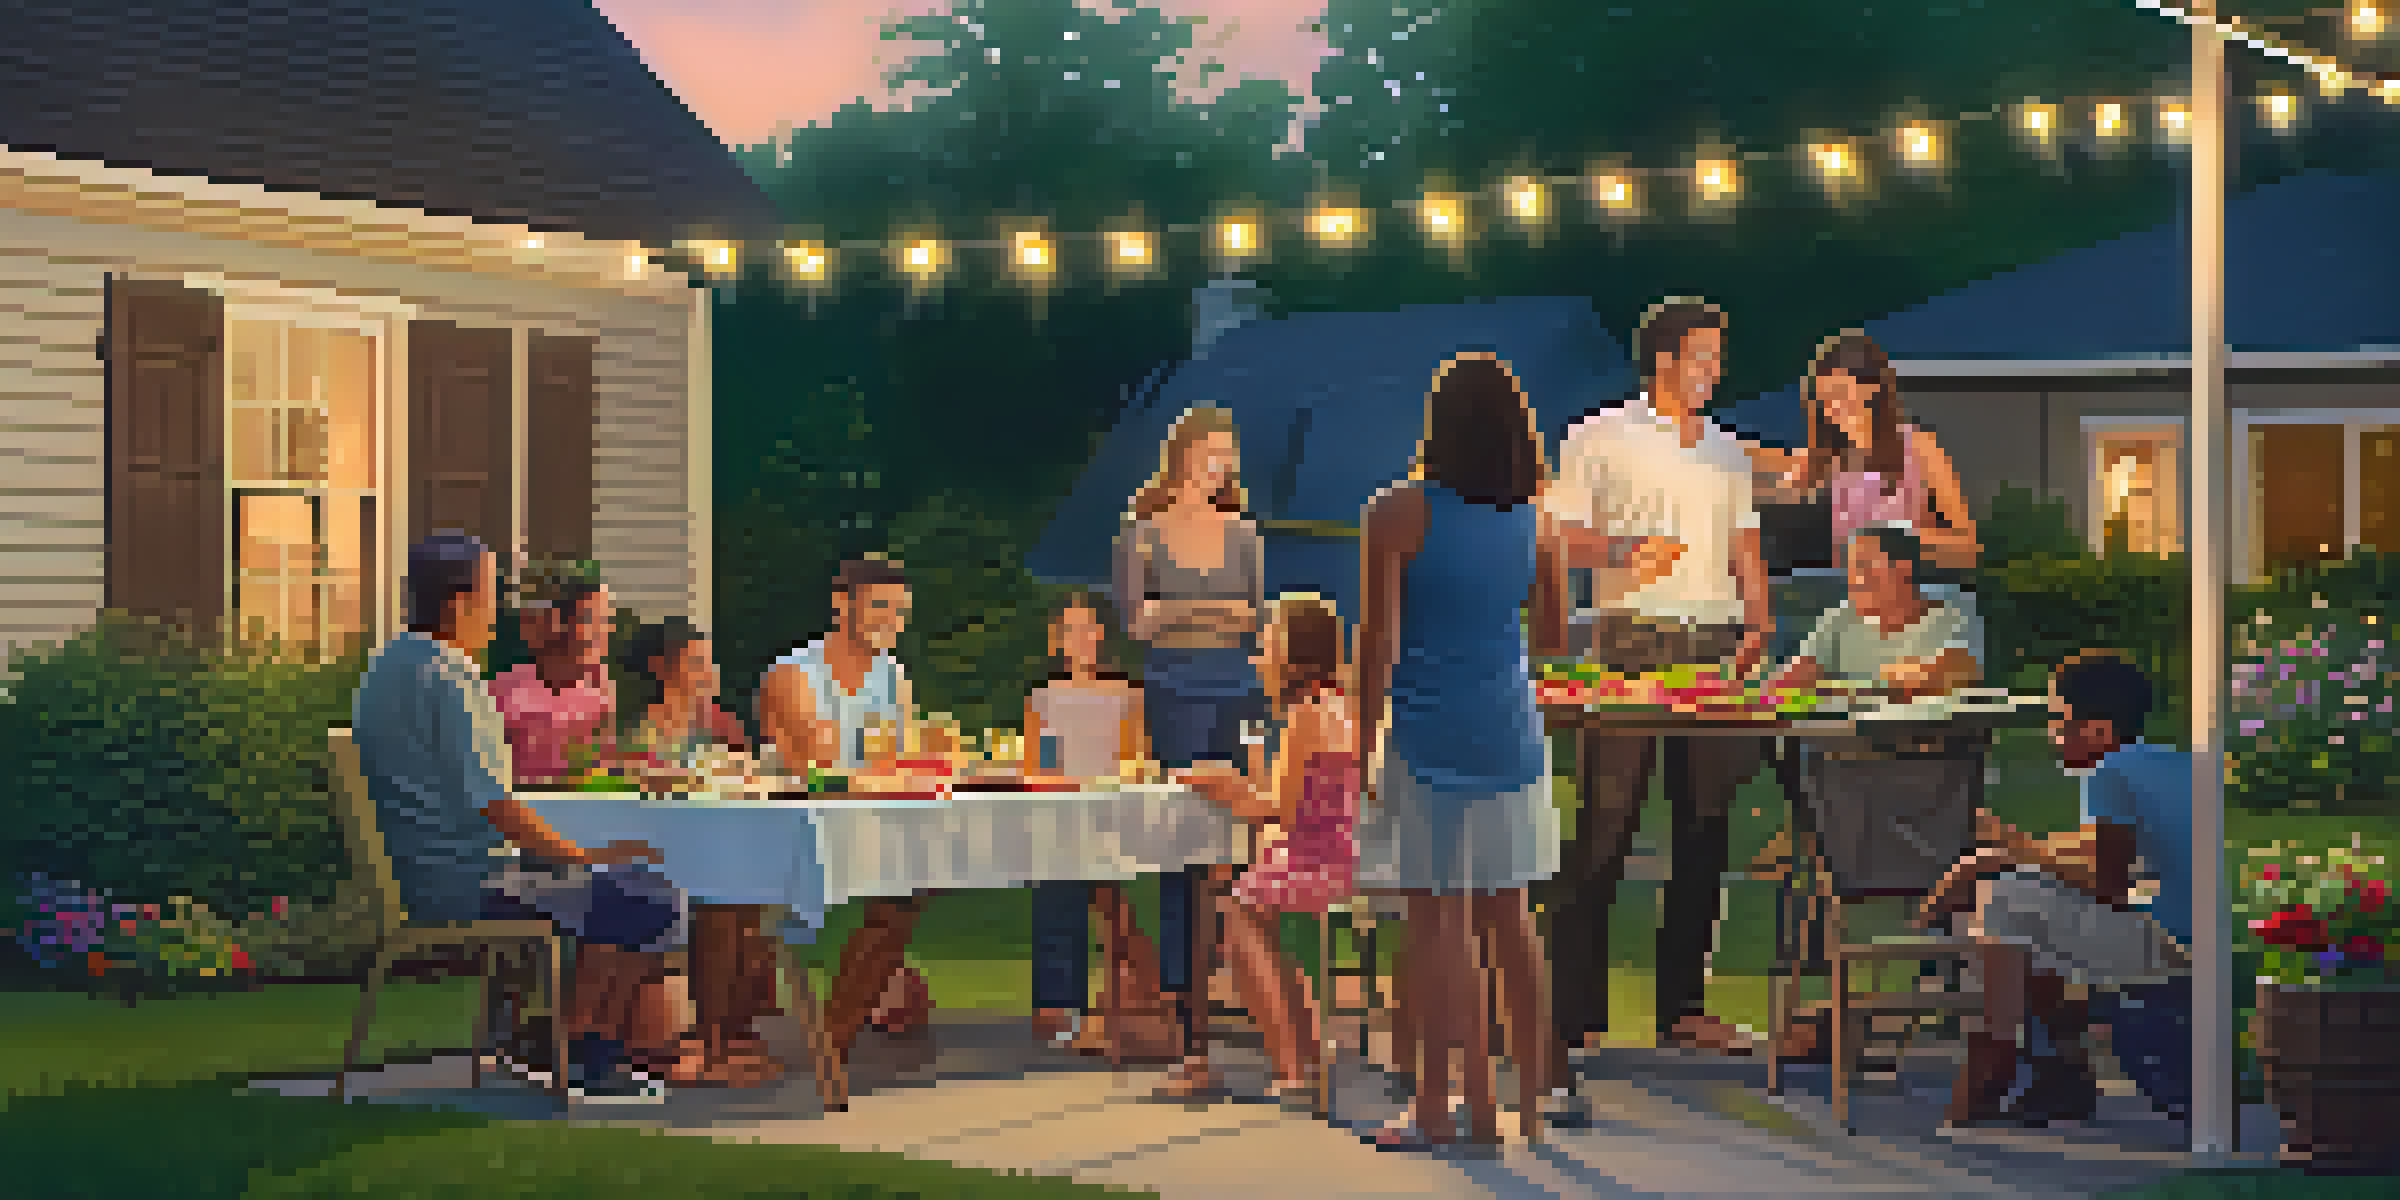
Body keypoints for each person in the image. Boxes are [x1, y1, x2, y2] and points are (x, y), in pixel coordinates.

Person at [351, 533, 689, 1101]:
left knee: (622, 890)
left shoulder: (385, 670)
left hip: (424, 874)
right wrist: (582, 855)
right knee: (651, 896)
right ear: (459, 605)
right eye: (492, 595)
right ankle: (582, 1055)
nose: (499, 611)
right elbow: (498, 806)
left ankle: (571, 1047)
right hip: (466, 883)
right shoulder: (455, 683)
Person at [1543, 298, 1774, 1117]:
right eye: (1701, 357)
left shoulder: (1725, 451)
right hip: (1633, 639)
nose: (1714, 371)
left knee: (1705, 826)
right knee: (1606, 822)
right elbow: (1558, 534)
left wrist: (1759, 621)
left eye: (1718, 357)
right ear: (1663, 361)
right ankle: (1570, 1015)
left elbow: (1745, 543)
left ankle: (1683, 1010)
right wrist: (1614, 552)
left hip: (1713, 641)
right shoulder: (1599, 434)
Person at [1356, 351, 1567, 1149]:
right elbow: (1549, 638)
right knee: (1510, 916)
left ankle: (1443, 1108)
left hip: (1424, 733)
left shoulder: (1397, 512)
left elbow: (1378, 640)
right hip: (1507, 732)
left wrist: (1361, 737)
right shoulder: (1536, 522)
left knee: (1435, 922)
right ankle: (1526, 1108)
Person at [1913, 652, 2193, 1129]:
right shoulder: (2172, 763)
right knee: (2021, 897)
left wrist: (2004, 857)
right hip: (2196, 934)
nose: (2052, 735)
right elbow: (2101, 846)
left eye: (2060, 722)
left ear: (2099, 732)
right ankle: (2056, 1064)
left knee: (2003, 897)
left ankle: (1999, 1053)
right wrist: (2016, 850)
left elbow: (2110, 887)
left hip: (2166, 947)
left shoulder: (2108, 774)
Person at [1114, 406, 1271, 1098]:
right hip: (1175, 688)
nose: (1221, 467)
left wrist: (1181, 609)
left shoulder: (1244, 535)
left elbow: (1254, 619)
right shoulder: (1142, 535)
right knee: (1185, 839)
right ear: (1180, 459)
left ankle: (1236, 980)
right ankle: (1183, 995)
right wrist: (1210, 613)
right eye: (1210, 454)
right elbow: (1138, 622)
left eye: (1228, 456)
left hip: (1238, 690)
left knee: (1238, 839)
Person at [1174, 592, 1363, 1104]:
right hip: (1342, 852)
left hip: (1316, 856)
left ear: (1293, 656)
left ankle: (1291, 1068)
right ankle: (1304, 1054)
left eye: (1267, 641)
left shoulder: (1305, 714)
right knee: (1255, 917)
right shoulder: (1343, 707)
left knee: (1236, 915)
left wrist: (1219, 785)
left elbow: (1275, 809)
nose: (1258, 655)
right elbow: (1297, 798)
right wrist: (1246, 788)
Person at [756, 557, 934, 1048]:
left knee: (912, 888)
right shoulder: (794, 674)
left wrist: (902, 768)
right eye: (880, 607)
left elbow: (908, 756)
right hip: (790, 829)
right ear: (842, 605)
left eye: (900, 613)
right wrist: (890, 771)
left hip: (860, 822)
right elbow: (820, 768)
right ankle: (814, 1036)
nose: (891, 622)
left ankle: (835, 1035)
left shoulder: (893, 675)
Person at [620, 618, 784, 1087]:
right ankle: (713, 1043)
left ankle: (730, 1037)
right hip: (658, 851)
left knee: (743, 905)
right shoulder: (644, 730)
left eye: (709, 662)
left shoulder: (722, 725)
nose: (709, 672)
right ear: (662, 669)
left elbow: (750, 780)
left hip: (718, 847)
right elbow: (639, 791)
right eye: (696, 662)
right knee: (721, 905)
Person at [1023, 591, 1178, 1058]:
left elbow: (1137, 761)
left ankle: (1139, 1006)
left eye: (1089, 628)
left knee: (1113, 903)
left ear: (1102, 636)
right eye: (1070, 630)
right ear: (1057, 640)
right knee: (1056, 889)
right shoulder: (1043, 698)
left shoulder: (1127, 695)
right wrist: (1066, 790)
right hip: (1062, 817)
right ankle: (1060, 1012)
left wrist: (1101, 790)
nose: (1081, 639)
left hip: (1116, 816)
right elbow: (1037, 768)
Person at [1772, 331, 1980, 572]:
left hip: (1913, 593)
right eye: (1823, 399)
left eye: (1839, 394)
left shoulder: (1919, 448)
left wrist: (1905, 545)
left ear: (1871, 388)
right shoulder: (1815, 462)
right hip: (1847, 597)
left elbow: (1969, 547)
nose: (1831, 408)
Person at [1770, 525, 1984, 700]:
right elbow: (1792, 678)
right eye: (1850, 568)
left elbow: (1948, 675)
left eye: (1864, 567)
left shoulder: (1956, 615)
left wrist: (1837, 689)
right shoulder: (1840, 618)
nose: (1853, 578)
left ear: (1903, 568)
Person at [489, 569, 616, 787]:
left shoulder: (601, 687)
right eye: (594, 620)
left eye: (607, 621)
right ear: (557, 624)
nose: (605, 631)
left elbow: (604, 766)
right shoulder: (502, 692)